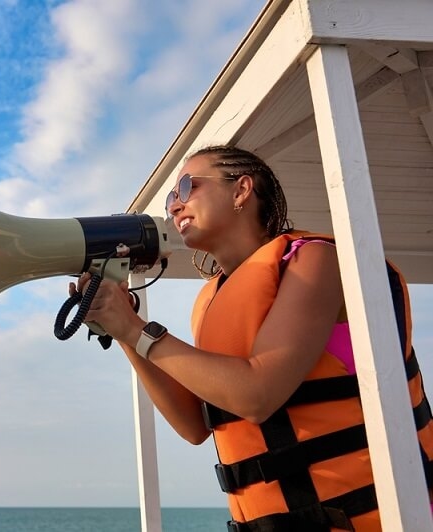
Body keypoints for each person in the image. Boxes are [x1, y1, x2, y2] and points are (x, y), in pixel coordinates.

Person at [71, 145, 433, 531]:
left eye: (187, 187)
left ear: (241, 190)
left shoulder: (315, 261)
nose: (174, 206)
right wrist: (123, 330)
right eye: (171, 197)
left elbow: (257, 395)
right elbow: (194, 425)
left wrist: (134, 329)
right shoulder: (211, 300)